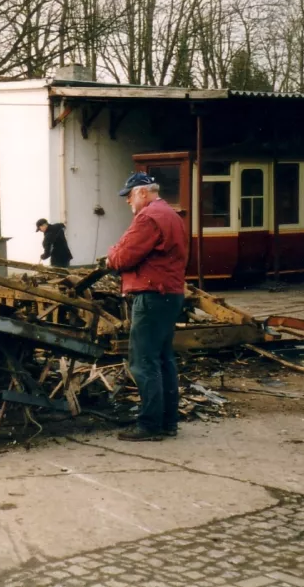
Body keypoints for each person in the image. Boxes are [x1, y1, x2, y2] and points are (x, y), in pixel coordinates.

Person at [106, 172, 187, 442]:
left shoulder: (148, 218)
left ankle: (150, 424)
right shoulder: (171, 215)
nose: (127, 201)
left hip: (152, 295)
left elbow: (121, 257)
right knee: (163, 359)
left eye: (129, 195)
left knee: (142, 361)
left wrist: (111, 254)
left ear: (142, 192)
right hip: (170, 294)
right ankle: (167, 422)